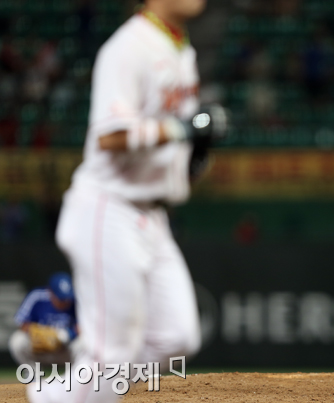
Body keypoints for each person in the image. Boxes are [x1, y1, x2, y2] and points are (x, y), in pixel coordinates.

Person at [28, 0, 226, 401]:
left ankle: (57, 394)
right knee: (113, 356)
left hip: (151, 217)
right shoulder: (129, 46)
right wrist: (181, 130)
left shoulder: (179, 48)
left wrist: (193, 152)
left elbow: (171, 138)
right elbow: (110, 135)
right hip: (109, 208)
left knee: (176, 336)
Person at [9, 272, 79, 367]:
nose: (66, 302)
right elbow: (22, 323)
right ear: (50, 292)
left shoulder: (77, 300)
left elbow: (85, 326)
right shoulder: (37, 296)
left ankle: (78, 376)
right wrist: (45, 334)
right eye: (62, 299)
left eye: (68, 298)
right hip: (40, 349)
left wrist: (68, 334)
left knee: (84, 343)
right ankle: (33, 374)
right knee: (18, 341)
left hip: (66, 350)